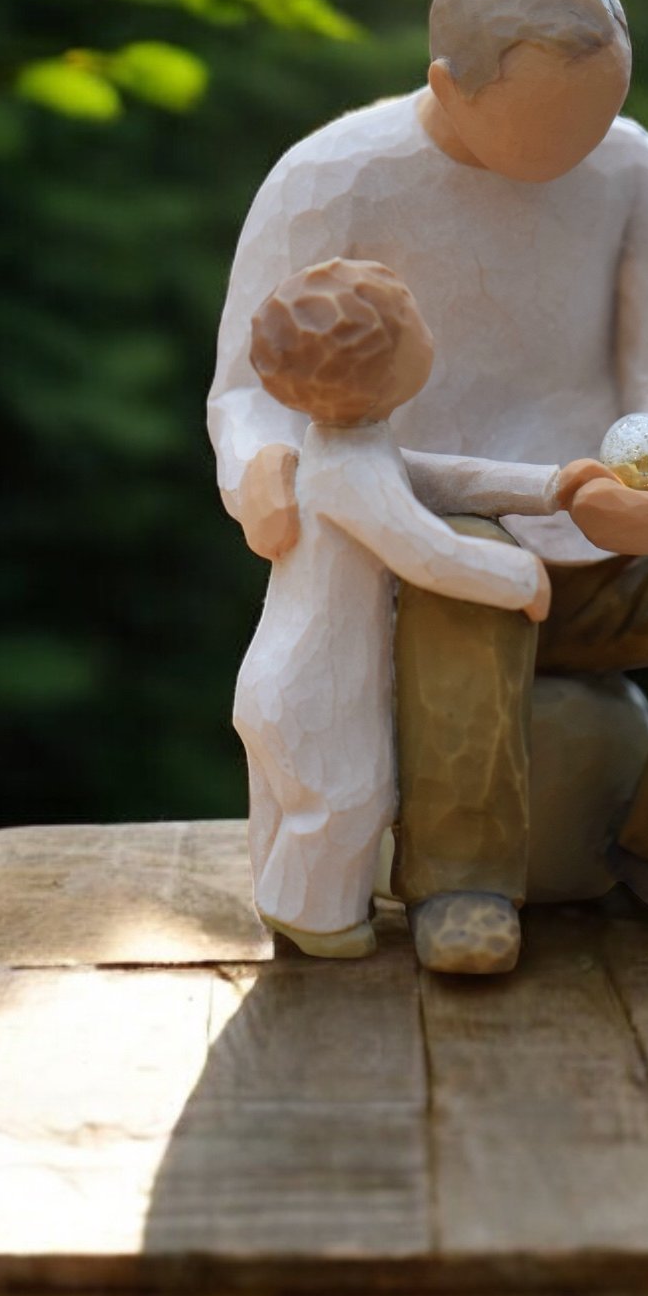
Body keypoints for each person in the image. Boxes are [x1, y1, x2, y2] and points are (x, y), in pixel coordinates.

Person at [210, 0, 648, 976]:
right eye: (550, 119)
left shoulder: (633, 168)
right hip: (423, 534)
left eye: (601, 105)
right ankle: (461, 881)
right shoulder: (333, 176)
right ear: (448, 86)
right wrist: (260, 473)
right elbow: (248, 387)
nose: (584, 140)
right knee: (470, 563)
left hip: (604, 524)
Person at [233, 256, 550, 963]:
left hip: (279, 676)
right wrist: (519, 576)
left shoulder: (345, 445)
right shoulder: (350, 469)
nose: (429, 335)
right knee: (347, 800)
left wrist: (552, 487)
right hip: (313, 686)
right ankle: (314, 916)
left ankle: (282, 899)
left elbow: (436, 476)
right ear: (383, 368)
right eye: (416, 328)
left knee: (292, 803)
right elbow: (424, 551)